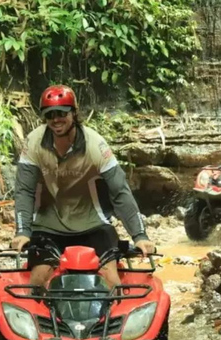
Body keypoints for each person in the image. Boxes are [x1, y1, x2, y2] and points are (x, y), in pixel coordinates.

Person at [11, 85, 154, 289]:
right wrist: (23, 231)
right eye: (50, 114)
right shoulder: (34, 142)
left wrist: (140, 236)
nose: (56, 119)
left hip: (93, 225)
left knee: (111, 280)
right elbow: (25, 190)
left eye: (62, 113)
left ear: (74, 113)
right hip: (48, 226)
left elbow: (119, 191)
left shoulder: (95, 145)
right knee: (38, 280)